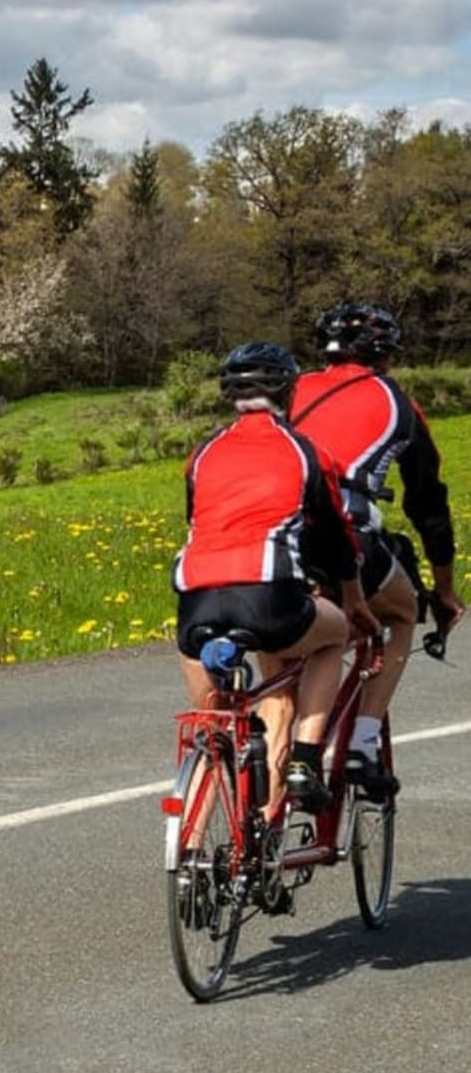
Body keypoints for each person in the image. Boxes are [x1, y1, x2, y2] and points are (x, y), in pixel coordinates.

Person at [174, 342, 378, 813]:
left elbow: (199, 520)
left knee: (214, 725)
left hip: (195, 602)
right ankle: (306, 758)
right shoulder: (305, 452)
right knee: (334, 636)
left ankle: (189, 855)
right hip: (270, 598)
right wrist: (353, 598)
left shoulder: (202, 454)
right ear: (289, 392)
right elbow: (334, 535)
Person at [289, 302, 464, 799]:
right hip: (347, 538)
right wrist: (445, 590)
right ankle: (363, 742)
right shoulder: (400, 405)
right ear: (386, 356)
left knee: (287, 638)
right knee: (404, 610)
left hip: (272, 542)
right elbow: (428, 504)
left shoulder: (289, 389)